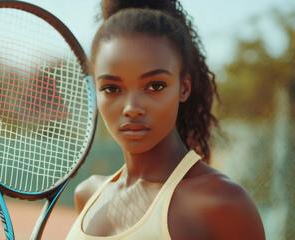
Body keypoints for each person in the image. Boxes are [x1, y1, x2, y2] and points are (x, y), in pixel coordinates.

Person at [66, 0, 265, 239]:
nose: (131, 108)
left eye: (154, 86)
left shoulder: (222, 203)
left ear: (184, 87)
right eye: (111, 88)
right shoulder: (88, 195)